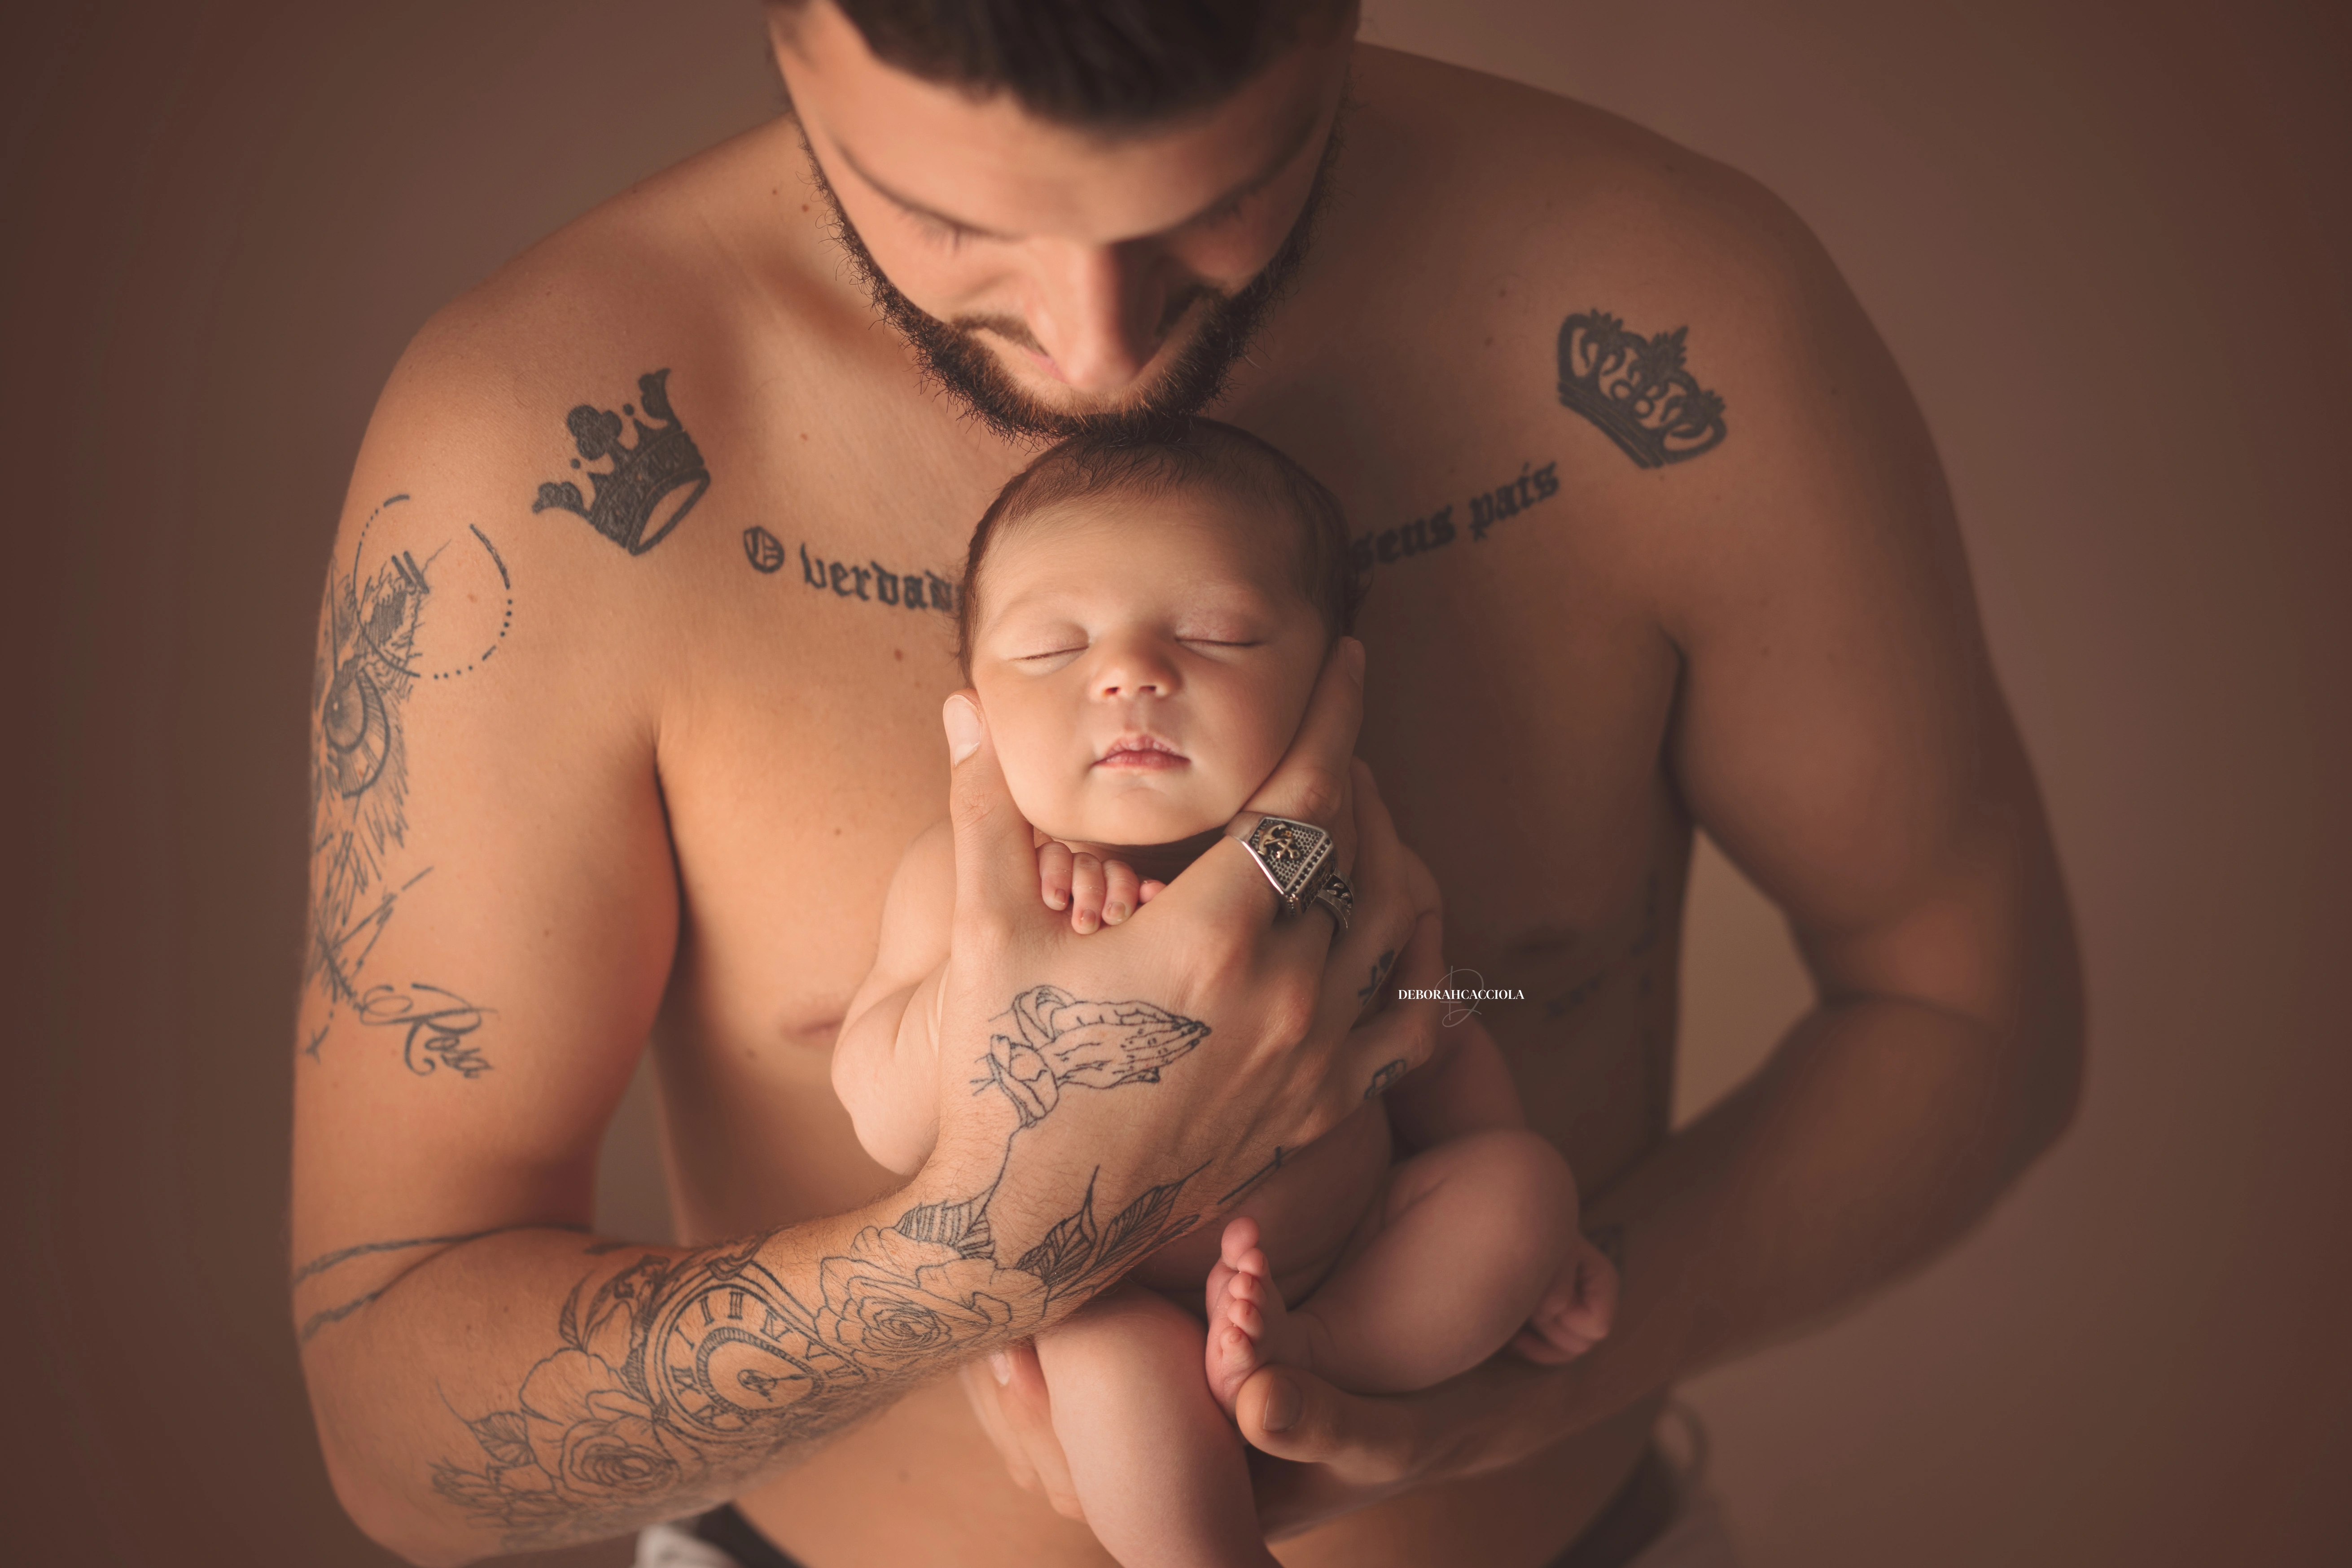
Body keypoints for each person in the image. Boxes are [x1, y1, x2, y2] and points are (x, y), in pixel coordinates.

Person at [289, 2, 2084, 1565]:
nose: (1093, 346)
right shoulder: (535, 454)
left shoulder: (1677, 328)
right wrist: (982, 1254)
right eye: (945, 216)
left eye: (1219, 197)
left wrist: (1495, 1389)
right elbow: (390, 1434)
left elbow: (1964, 1007)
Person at [830, 420, 1618, 1568]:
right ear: (975, 707)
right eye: (1053, 648)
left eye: (1217, 632)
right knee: (1105, 1361)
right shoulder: (964, 889)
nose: (1131, 671)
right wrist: (989, 990)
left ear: (1327, 681)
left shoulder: (1339, 863)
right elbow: (883, 1112)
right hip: (1110, 1284)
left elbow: (1434, 1030)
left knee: (1521, 1185)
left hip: (1344, 1264)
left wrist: (1531, 1235)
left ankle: (1308, 1354)